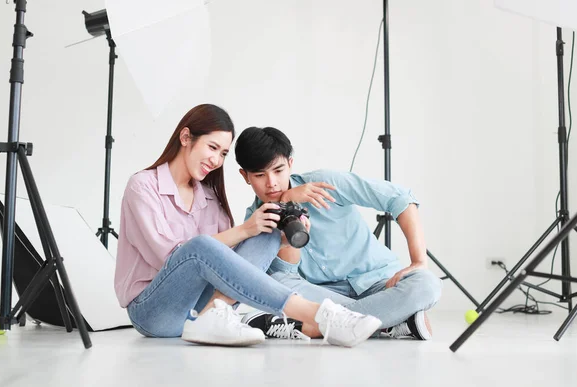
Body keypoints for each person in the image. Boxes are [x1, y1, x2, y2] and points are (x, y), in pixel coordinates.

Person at [113, 105, 383, 347]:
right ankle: (319, 313)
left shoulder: (209, 197)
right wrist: (244, 230)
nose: (217, 161)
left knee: (267, 225)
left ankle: (211, 317)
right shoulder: (143, 186)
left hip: (196, 309)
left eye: (223, 153)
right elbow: (173, 257)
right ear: (186, 138)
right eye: (212, 147)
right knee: (203, 246)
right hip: (154, 312)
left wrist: (281, 239)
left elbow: (230, 263)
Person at [234, 126, 442, 341]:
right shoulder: (256, 220)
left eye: (278, 170)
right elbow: (287, 276)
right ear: (245, 176)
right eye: (260, 175)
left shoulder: (326, 183)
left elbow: (400, 198)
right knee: (277, 284)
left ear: (290, 164)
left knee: (427, 284)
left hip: (379, 283)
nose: (272, 183)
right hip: (322, 296)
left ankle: (317, 327)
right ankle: (392, 321)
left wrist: (419, 261)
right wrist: (284, 204)